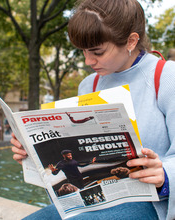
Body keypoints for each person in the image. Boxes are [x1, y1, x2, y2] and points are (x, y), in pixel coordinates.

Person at [11, 0, 175, 219]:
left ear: (131, 41)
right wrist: (31, 153)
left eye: (97, 52)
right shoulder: (89, 85)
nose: (89, 61)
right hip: (91, 200)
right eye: (83, 51)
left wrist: (164, 174)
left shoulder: (167, 77)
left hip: (150, 204)